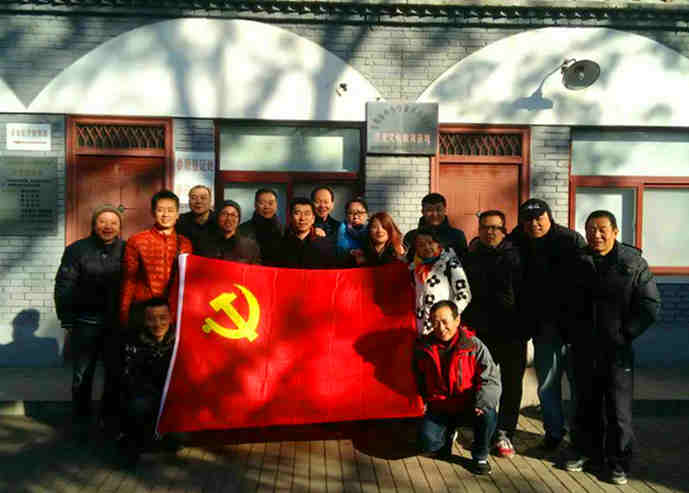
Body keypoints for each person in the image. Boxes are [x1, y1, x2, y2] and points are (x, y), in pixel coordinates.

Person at [562, 210, 660, 485]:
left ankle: (619, 462)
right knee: (585, 404)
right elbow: (562, 303)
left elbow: (650, 305)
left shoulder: (632, 262)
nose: (596, 234)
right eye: (590, 229)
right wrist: (569, 333)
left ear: (615, 232)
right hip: (582, 348)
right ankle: (586, 452)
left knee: (618, 409)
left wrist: (626, 333)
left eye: (602, 229)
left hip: (617, 350)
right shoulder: (576, 262)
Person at [507, 198, 586, 451]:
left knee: (579, 386)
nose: (534, 224)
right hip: (544, 329)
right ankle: (553, 432)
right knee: (548, 385)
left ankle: (582, 437)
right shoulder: (516, 241)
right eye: (528, 220)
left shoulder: (570, 240)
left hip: (576, 329)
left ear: (549, 217)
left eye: (539, 218)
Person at [54, 205, 125, 426]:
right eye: (102, 222)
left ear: (119, 227)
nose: (108, 227)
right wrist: (66, 317)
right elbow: (64, 284)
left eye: (113, 223)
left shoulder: (127, 249)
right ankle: (81, 418)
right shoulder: (77, 250)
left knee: (114, 372)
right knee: (83, 373)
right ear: (94, 225)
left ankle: (109, 418)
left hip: (115, 323)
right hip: (85, 321)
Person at [462, 210, 525, 459]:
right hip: (481, 331)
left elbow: (529, 294)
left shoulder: (517, 255)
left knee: (511, 384)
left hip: (512, 331)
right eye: (485, 227)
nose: (490, 232)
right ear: (478, 229)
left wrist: (525, 325)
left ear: (504, 230)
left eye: (495, 228)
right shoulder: (471, 256)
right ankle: (482, 429)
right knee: (480, 381)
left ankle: (504, 432)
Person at [414, 300, 501, 475]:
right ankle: (445, 439)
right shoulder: (424, 347)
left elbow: (491, 379)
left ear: (457, 320)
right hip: (440, 407)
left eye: (445, 321)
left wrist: (482, 402)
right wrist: (421, 402)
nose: (441, 328)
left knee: (489, 413)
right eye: (435, 322)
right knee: (428, 443)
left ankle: (480, 455)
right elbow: (418, 378)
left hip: (470, 405)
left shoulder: (474, 345)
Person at [120, 190, 192, 331]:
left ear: (177, 214)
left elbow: (187, 281)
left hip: (173, 311)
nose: (165, 215)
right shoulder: (137, 240)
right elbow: (129, 279)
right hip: (143, 308)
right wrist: (124, 312)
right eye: (160, 210)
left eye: (170, 210)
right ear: (153, 213)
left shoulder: (185, 243)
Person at [119, 297, 177, 467]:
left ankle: (167, 438)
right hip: (145, 394)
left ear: (171, 318)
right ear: (144, 321)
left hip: (173, 396)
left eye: (163, 318)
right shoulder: (133, 342)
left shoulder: (179, 340)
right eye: (151, 319)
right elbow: (129, 378)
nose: (158, 324)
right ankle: (133, 442)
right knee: (138, 406)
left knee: (179, 438)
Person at [411, 228, 471, 336]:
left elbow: (464, 294)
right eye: (421, 245)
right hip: (423, 331)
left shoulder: (449, 263)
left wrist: (449, 316)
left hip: (445, 328)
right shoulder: (415, 269)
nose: (427, 247)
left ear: (438, 243)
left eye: (430, 243)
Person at [404, 193, 468, 262]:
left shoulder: (457, 236)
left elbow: (464, 262)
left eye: (438, 210)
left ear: (445, 210)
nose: (434, 214)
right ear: (422, 211)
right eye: (429, 210)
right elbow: (406, 262)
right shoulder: (411, 236)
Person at [278, 197, 339, 269]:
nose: (302, 218)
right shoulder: (280, 245)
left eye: (307, 214)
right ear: (290, 217)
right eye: (297, 213)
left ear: (313, 219)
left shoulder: (325, 246)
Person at [195, 200, 260, 264]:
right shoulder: (204, 243)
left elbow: (256, 269)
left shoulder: (250, 246)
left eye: (233, 215)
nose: (229, 219)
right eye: (224, 214)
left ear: (238, 219)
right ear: (217, 217)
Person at [238, 188, 283, 266]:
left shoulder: (284, 231)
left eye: (271, 203)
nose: (267, 207)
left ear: (276, 205)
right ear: (255, 205)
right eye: (262, 203)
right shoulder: (242, 230)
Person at [175, 185, 216, 250]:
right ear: (189, 201)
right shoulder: (179, 221)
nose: (198, 201)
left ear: (210, 201)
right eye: (193, 198)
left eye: (203, 198)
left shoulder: (219, 220)